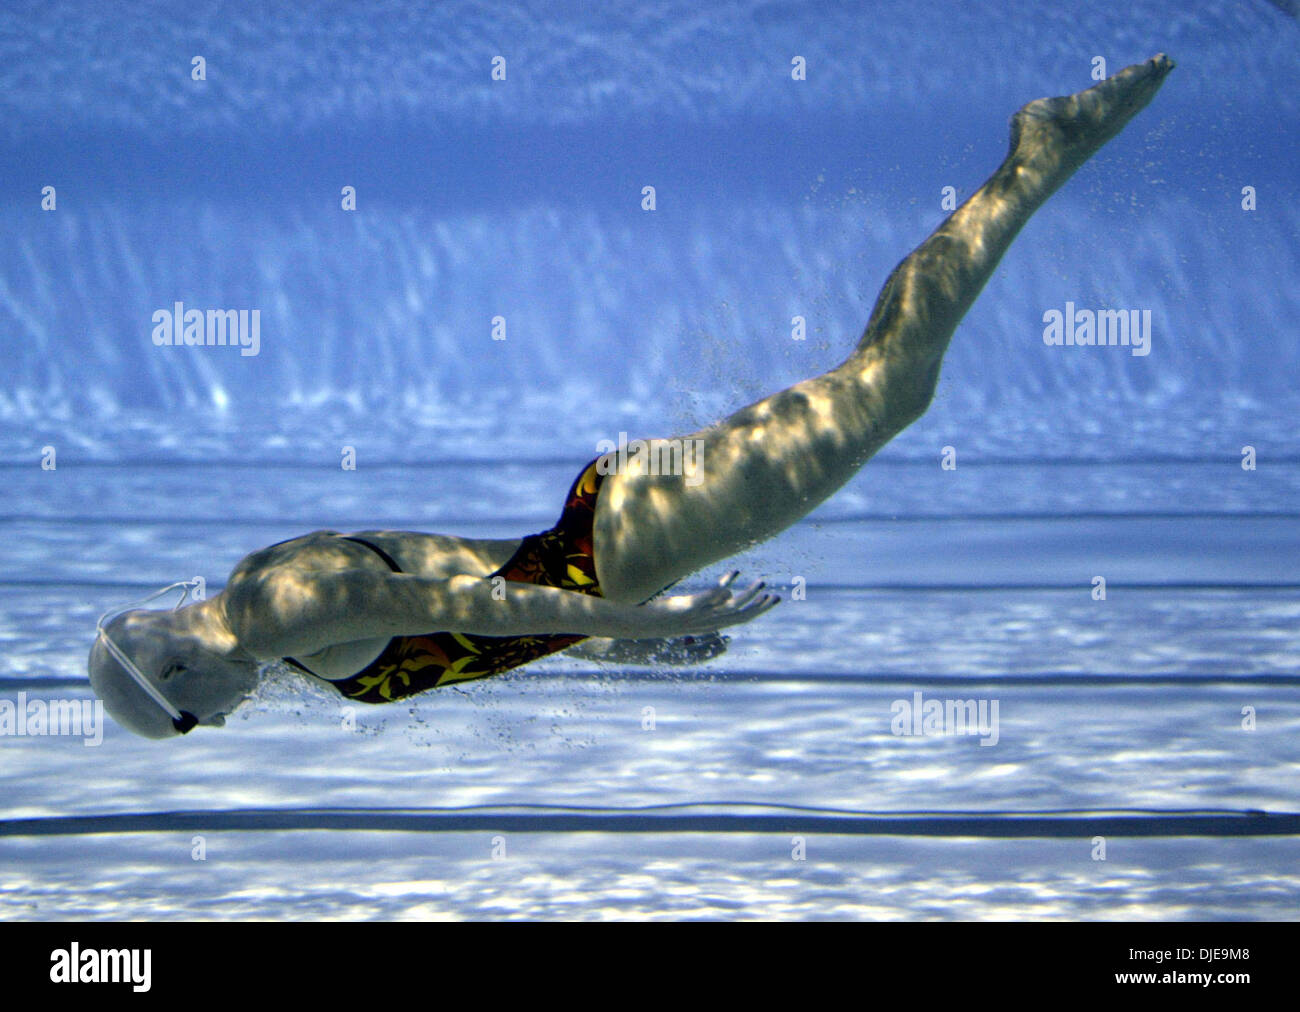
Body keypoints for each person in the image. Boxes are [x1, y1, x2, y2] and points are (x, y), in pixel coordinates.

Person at [89, 55, 1175, 738]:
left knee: (888, 390)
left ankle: (1031, 160)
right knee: (883, 393)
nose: (216, 729)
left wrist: (644, 611)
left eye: (192, 725)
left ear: (179, 667)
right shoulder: (256, 615)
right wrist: (618, 643)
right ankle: (1025, 166)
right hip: (599, 535)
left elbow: (477, 607)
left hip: (607, 552)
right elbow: (460, 613)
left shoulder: (286, 608)